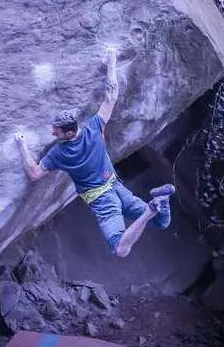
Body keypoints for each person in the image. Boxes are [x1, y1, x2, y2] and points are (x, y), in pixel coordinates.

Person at [14, 48, 175, 258]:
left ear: (69, 132)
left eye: (57, 131)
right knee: (163, 223)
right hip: (117, 187)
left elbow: (34, 174)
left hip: (102, 200)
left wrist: (22, 145)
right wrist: (111, 59)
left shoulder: (59, 153)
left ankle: (149, 211)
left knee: (120, 249)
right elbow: (112, 95)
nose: (53, 133)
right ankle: (160, 199)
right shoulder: (93, 128)